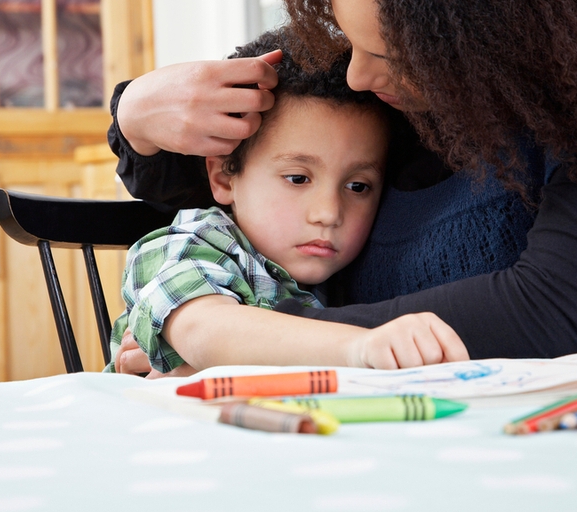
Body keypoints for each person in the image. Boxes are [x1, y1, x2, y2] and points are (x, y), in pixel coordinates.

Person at [108, 0, 577, 373]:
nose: (356, 75)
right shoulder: (385, 95)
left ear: (491, 36)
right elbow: (229, 174)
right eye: (349, 38)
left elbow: (558, 308)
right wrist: (133, 114)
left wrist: (248, 344)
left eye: (388, 55)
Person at [106, 28, 469, 376]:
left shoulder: (345, 275)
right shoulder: (194, 243)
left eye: (357, 186)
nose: (328, 213)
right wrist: (360, 348)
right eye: (297, 178)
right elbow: (208, 331)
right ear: (222, 177)